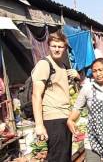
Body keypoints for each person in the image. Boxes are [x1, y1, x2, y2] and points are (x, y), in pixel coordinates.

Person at [31, 31, 79, 162]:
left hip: (65, 117)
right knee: (58, 158)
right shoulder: (45, 64)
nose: (57, 49)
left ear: (64, 48)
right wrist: (39, 125)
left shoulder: (62, 66)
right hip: (53, 118)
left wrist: (77, 77)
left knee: (64, 157)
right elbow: (36, 96)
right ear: (49, 46)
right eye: (54, 46)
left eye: (60, 46)